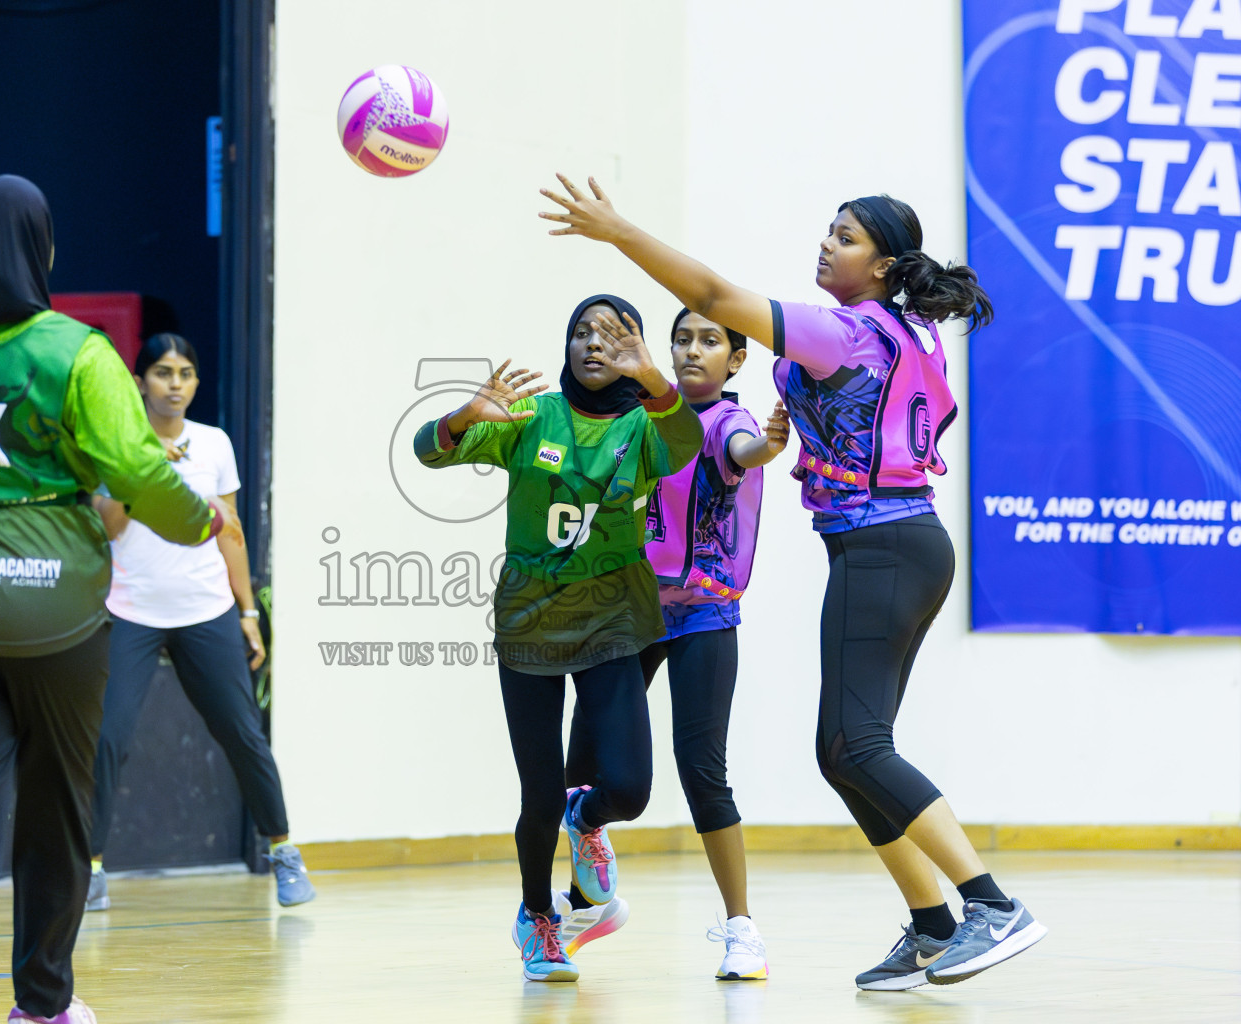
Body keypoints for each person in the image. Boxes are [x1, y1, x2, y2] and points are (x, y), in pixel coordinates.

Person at [540, 177, 1046, 989]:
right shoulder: (910, 332)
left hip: (882, 547)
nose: (826, 243)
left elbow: (713, 296)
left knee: (857, 745)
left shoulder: (845, 332)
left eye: (845, 237)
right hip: (903, 545)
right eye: (828, 230)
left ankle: (990, 902)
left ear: (882, 266)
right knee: (843, 751)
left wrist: (618, 230)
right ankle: (931, 925)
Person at [0, 175, 221, 1024]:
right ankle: (41, 1005)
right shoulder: (76, 351)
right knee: (57, 806)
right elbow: (139, 471)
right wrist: (199, 518)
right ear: (42, 248)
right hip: (50, 614)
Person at [413, 295, 703, 982]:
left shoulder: (645, 426)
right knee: (539, 797)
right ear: (565, 347)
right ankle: (537, 916)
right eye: (582, 333)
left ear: (636, 349)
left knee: (628, 790)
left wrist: (655, 379)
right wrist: (464, 417)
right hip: (531, 623)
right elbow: (427, 451)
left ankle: (588, 818)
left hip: (613, 620)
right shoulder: (531, 415)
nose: (594, 344)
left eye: (614, 335)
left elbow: (687, 444)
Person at [563, 308, 788, 980]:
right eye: (682, 339)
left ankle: (742, 930)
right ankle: (585, 905)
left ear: (736, 360)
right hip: (630, 611)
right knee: (585, 761)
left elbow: (743, 452)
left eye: (710, 341)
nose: (693, 350)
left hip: (703, 615)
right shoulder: (639, 419)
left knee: (702, 772)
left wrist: (769, 446)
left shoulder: (726, 423)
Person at [86, 332, 315, 910]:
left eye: (185, 373)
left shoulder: (213, 443)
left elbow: (230, 531)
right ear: (140, 382)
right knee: (107, 738)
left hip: (206, 610)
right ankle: (89, 869)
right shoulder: (119, 443)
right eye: (163, 373)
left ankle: (283, 852)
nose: (175, 384)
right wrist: (142, 471)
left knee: (242, 732)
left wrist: (248, 611)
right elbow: (108, 526)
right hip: (131, 611)